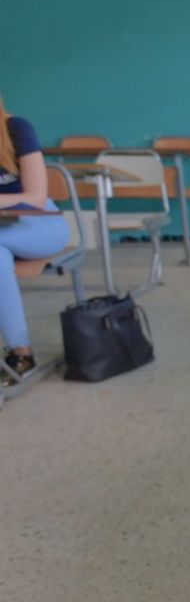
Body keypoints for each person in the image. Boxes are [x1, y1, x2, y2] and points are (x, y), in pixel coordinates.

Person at [0, 96, 70, 385]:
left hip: (41, 225)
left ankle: (22, 354)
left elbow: (35, 197)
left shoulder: (16, 129)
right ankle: (21, 354)